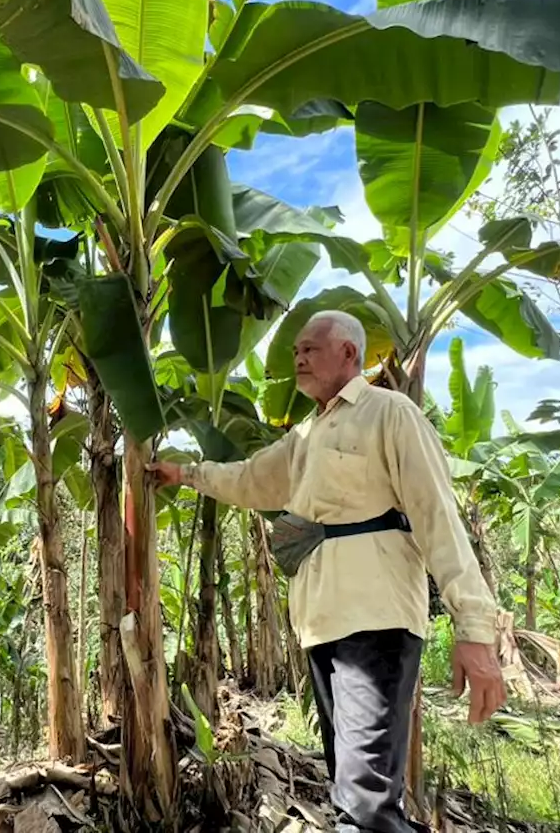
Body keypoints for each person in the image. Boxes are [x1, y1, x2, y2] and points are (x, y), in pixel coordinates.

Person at [149, 310, 504, 833]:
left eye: (311, 347)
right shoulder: (308, 435)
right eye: (295, 349)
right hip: (321, 622)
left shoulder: (389, 414)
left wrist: (474, 629)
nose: (298, 357)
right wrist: (186, 474)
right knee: (352, 787)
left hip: (375, 616)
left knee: (364, 801)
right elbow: (252, 480)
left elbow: (436, 517)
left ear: (349, 355)